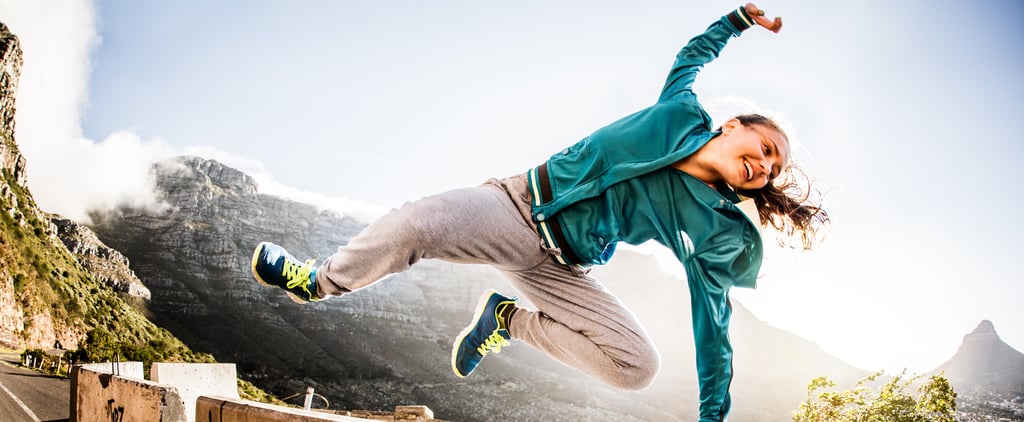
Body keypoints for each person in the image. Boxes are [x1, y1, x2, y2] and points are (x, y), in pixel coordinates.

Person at [251, 4, 826, 420]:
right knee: (419, 223)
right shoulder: (680, 109)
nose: (766, 168)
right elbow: (691, 56)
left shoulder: (710, 222)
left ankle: (506, 320)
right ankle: (317, 281)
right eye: (767, 149)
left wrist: (712, 415)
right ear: (735, 126)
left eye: (775, 170)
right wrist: (738, 20)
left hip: (561, 267)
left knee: (636, 367)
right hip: (515, 207)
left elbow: (713, 317)